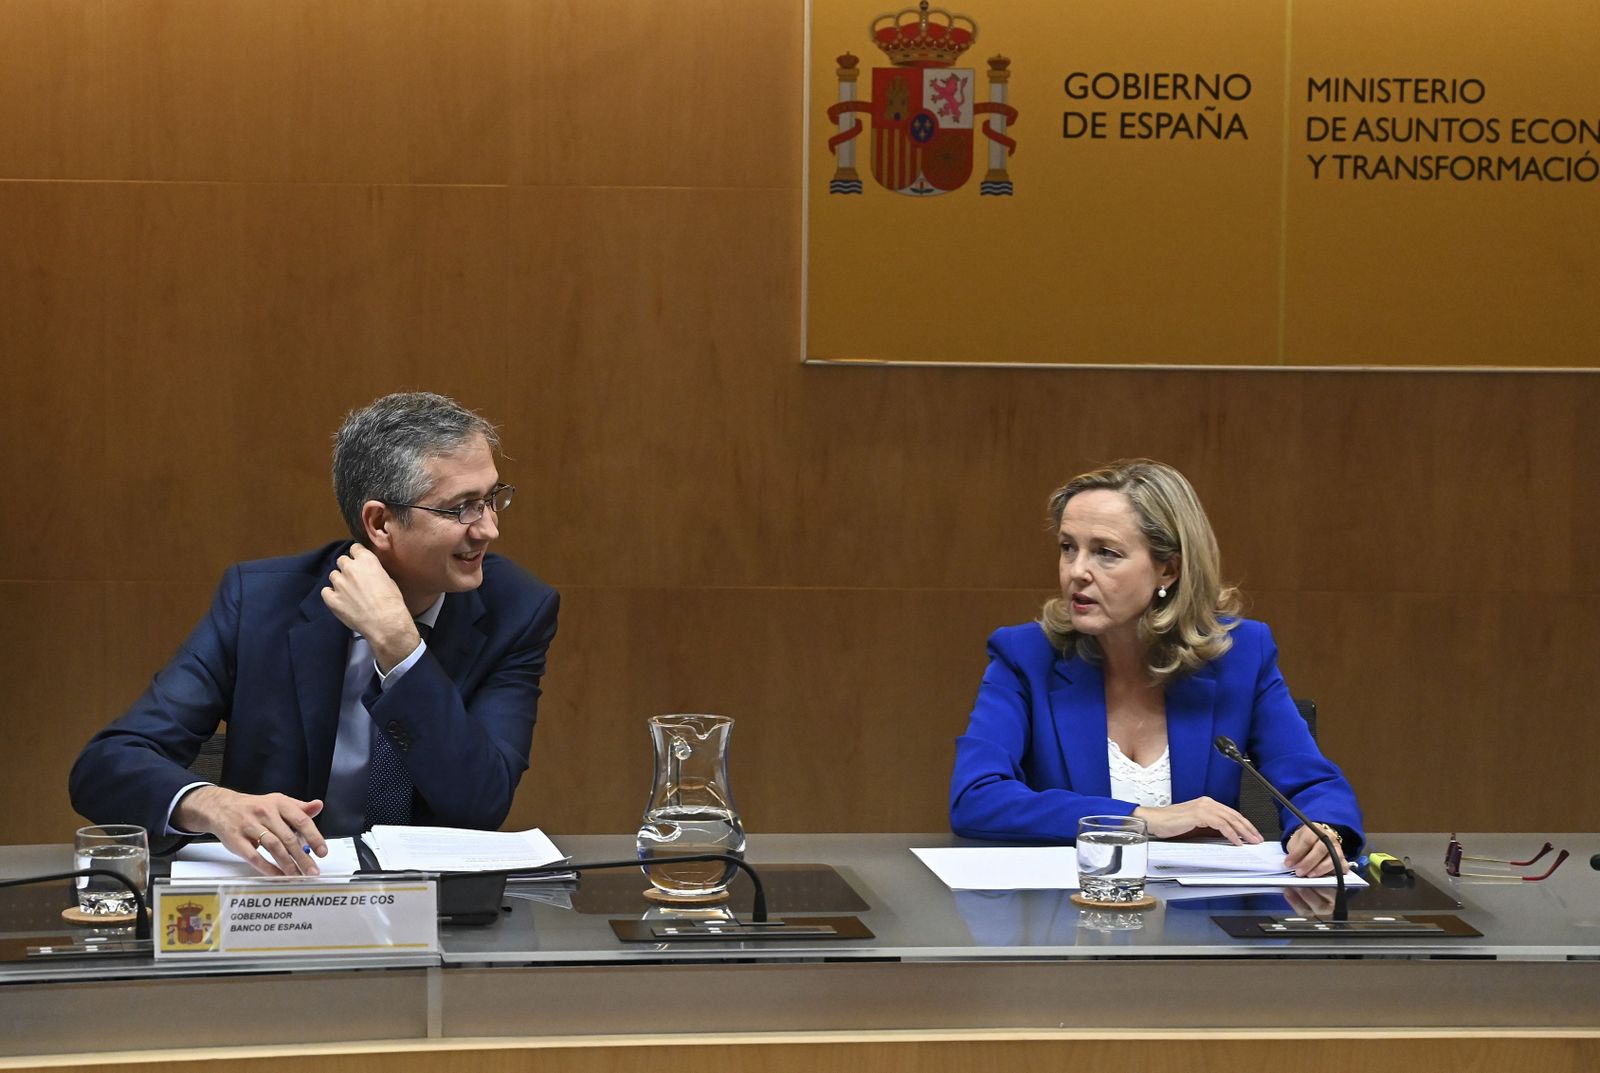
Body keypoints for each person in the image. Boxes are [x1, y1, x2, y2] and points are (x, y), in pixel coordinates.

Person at [70, 392, 559, 877]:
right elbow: (106, 765)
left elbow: (481, 803)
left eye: (492, 499)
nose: (489, 529)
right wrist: (211, 803)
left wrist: (401, 650)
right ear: (380, 522)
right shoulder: (260, 605)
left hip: (437, 915)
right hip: (285, 905)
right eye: (462, 509)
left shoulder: (515, 610)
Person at [948, 459, 1361, 877]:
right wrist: (1141, 818)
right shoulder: (1027, 656)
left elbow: (1311, 783)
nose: (1076, 572)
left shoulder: (1239, 654)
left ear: (1169, 569)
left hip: (1201, 926)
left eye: (1105, 553)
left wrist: (1325, 831)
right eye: (1068, 547)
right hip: (1069, 918)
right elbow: (977, 797)